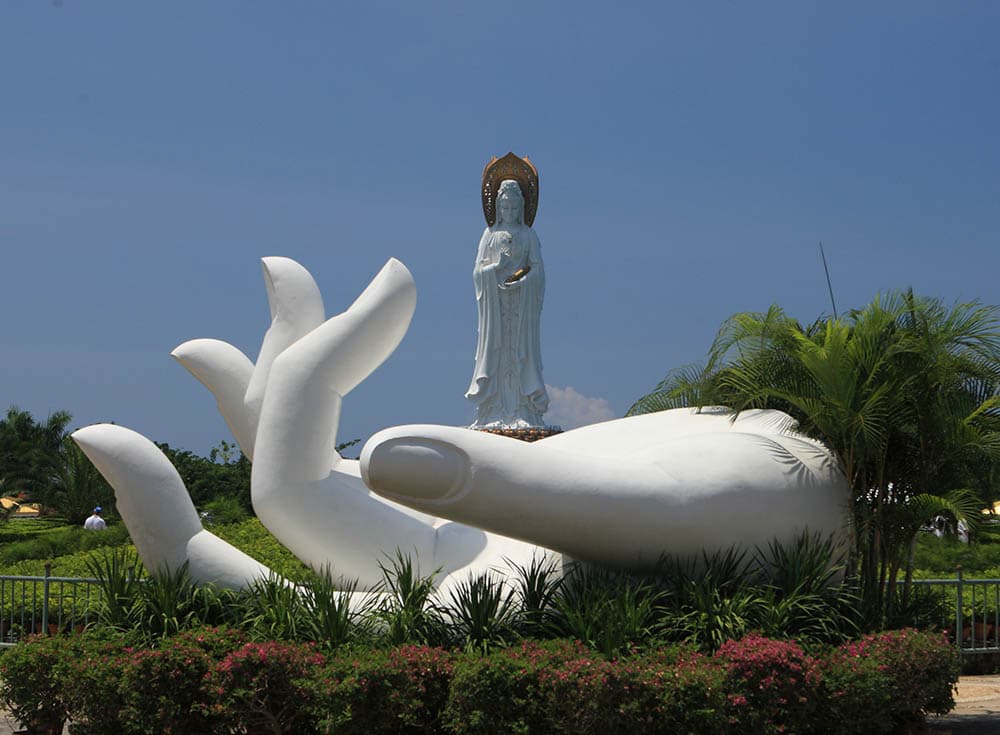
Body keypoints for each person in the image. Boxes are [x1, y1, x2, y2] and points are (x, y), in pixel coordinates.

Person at [466, 178, 548, 428]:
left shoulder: (529, 235)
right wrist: (496, 268)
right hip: (496, 307)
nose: (510, 212)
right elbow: (477, 273)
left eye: (514, 208)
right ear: (498, 208)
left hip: (522, 308)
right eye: (505, 208)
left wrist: (524, 282)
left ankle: (523, 409)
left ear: (521, 208)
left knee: (520, 354)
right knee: (496, 354)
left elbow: (539, 271)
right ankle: (493, 411)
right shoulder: (489, 235)